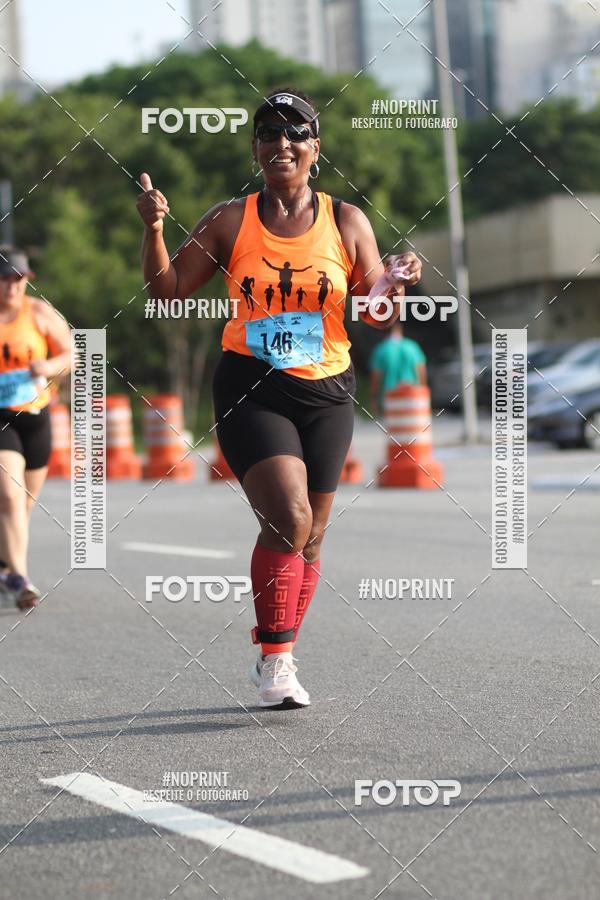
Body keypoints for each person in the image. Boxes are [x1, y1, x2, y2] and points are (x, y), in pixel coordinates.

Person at [137, 88, 422, 709]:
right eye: (268, 134)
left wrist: (394, 282)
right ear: (257, 149)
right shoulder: (230, 220)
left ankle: (282, 649)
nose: (281, 144)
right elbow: (166, 292)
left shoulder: (346, 221)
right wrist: (154, 229)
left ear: (315, 149)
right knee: (288, 520)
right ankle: (275, 661)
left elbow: (374, 312)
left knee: (314, 535)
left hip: (328, 389)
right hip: (251, 386)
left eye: (295, 134)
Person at [0, 248, 71, 609]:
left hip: (37, 417)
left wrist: (48, 365)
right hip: (1, 419)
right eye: (5, 279)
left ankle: (4, 565)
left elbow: (72, 354)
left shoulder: (40, 314)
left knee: (22, 507)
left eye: (18, 279)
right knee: (9, 497)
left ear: (27, 280)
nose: (12, 287)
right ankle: (20, 579)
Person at [369, 320, 427, 417]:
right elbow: (421, 370)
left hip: (390, 395)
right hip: (411, 394)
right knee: (411, 426)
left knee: (394, 427)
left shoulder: (380, 349)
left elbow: (375, 377)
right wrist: (423, 392)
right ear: (400, 330)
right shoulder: (412, 346)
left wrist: (373, 398)